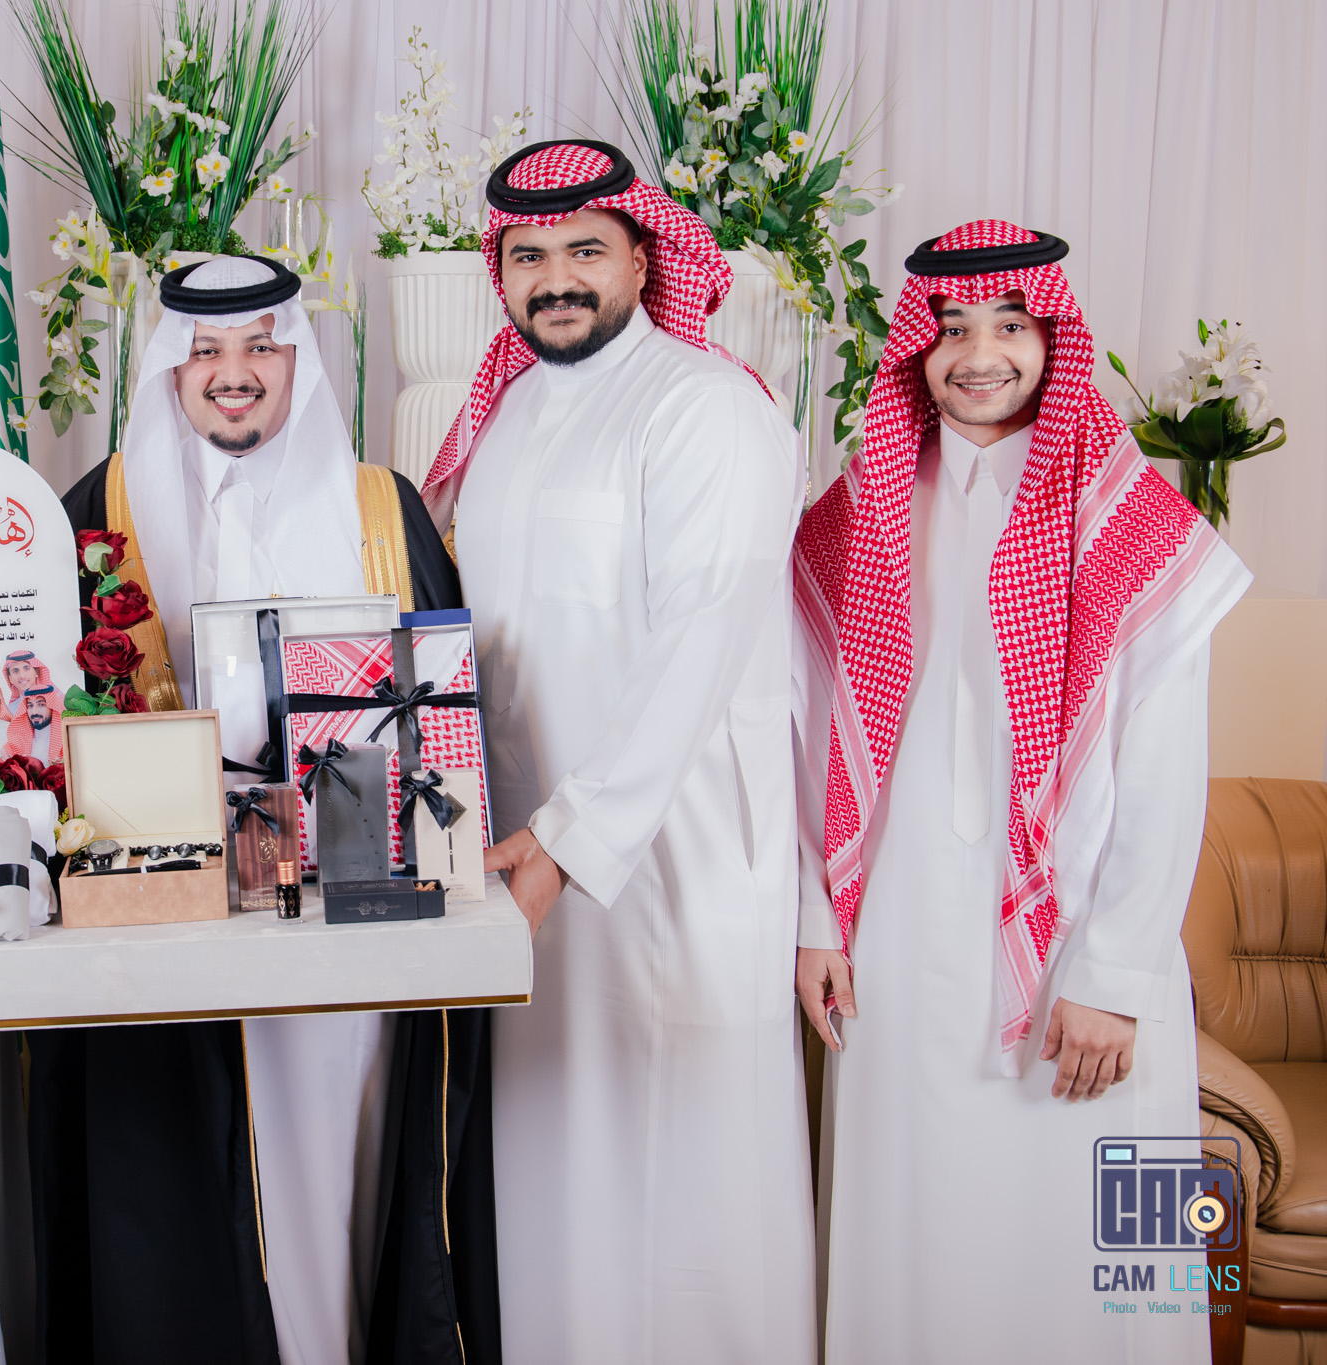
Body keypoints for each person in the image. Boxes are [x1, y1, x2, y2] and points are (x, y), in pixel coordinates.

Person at [792, 221, 1249, 1363]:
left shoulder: (1133, 520)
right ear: (916, 348)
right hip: (899, 948)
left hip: (1084, 964)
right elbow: (805, 735)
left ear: (1053, 336)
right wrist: (816, 919)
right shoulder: (859, 511)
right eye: (950, 329)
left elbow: (1163, 774)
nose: (978, 354)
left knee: (1104, 1269)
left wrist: (1114, 976)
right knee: (921, 1245)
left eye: (1007, 324)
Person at [39, 254, 490, 1365]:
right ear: (170, 366)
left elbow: (442, 715)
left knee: (342, 1171)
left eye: (258, 348)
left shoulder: (378, 506)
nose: (230, 373)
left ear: (297, 363)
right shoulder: (100, 510)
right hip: (168, 920)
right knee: (180, 1194)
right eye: (204, 350)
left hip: (344, 914)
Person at [421, 140, 814, 1361]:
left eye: (585, 249)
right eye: (527, 255)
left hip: (666, 867)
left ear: (644, 259)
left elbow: (697, 647)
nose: (555, 279)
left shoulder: (706, 407)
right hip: (519, 866)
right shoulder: (501, 418)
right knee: (554, 1194)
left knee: (683, 1201)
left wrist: (565, 841)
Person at [7, 684, 63, 763]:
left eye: (41, 705)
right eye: (30, 706)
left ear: (52, 707)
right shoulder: (19, 740)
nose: (34, 712)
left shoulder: (65, 739)